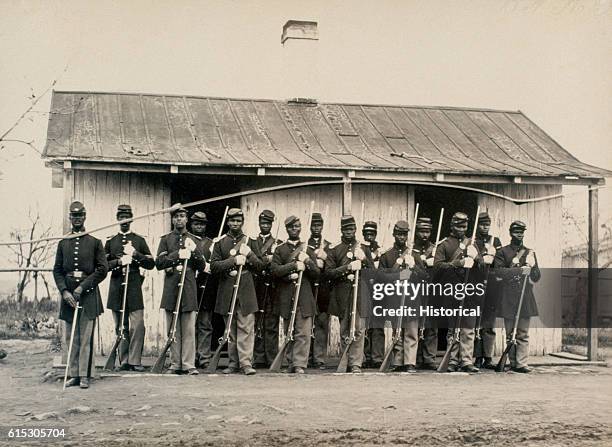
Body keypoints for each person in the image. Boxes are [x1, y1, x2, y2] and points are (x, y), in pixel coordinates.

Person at [53, 201, 108, 389]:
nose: (77, 219)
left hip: (88, 295)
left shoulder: (94, 243)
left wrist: (82, 287)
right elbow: (57, 271)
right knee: (71, 337)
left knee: (86, 337)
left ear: (85, 217)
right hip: (69, 297)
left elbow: (102, 269)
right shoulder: (63, 243)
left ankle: (86, 375)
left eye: (80, 215)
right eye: (73, 216)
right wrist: (65, 291)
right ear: (70, 218)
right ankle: (74, 374)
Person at [211, 208, 264, 375]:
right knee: (230, 329)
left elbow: (261, 266)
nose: (235, 223)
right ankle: (233, 363)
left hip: (246, 290)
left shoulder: (250, 241)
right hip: (227, 289)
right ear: (228, 222)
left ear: (242, 222)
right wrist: (233, 260)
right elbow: (214, 267)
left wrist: (249, 255)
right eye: (232, 220)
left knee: (246, 328)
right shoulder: (220, 242)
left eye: (238, 220)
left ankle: (246, 363)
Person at [104, 204, 155, 372]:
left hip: (134, 287)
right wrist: (118, 262)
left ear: (132, 219)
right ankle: (124, 360)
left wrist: (135, 254)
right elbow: (102, 266)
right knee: (121, 326)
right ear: (118, 219)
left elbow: (150, 263)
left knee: (137, 325)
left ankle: (135, 360)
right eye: (121, 217)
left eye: (127, 217)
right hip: (117, 286)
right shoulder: (111, 241)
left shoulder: (139, 240)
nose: (124, 220)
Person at [155, 206, 205, 375]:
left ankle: (189, 364)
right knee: (173, 327)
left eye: (182, 216)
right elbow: (159, 263)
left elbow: (202, 265)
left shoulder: (194, 240)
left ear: (187, 219)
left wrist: (194, 251)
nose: (179, 220)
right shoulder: (166, 239)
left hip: (189, 288)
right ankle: (175, 364)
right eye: (176, 217)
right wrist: (177, 254)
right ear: (172, 219)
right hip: (171, 288)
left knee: (189, 328)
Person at [270, 215, 320, 374]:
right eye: (291, 227)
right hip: (287, 296)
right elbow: (275, 271)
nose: (294, 229)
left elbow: (317, 274)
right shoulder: (280, 249)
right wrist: (293, 266)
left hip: (304, 297)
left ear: (300, 228)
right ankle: (291, 362)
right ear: (287, 229)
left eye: (297, 226)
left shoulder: (307, 250)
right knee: (289, 331)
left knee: (303, 333)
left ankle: (300, 364)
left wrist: (308, 262)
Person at [325, 215, 375, 373]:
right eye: (345, 229)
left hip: (360, 293)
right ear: (341, 230)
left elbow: (373, 273)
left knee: (359, 329)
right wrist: (347, 268)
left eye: (351, 229)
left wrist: (364, 259)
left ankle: (355, 364)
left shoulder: (364, 248)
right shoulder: (335, 249)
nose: (348, 232)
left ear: (355, 230)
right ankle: (344, 360)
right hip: (343, 295)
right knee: (345, 328)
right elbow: (329, 273)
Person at [433, 211, 480, 373]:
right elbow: (437, 268)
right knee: (453, 328)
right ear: (452, 226)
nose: (462, 229)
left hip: (470, 291)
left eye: (464, 226)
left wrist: (477, 259)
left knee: (469, 328)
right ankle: (452, 360)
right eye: (459, 226)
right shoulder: (444, 245)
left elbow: (483, 271)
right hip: (452, 291)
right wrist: (459, 263)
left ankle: (466, 361)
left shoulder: (472, 244)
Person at [494, 220, 541, 373]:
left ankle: (521, 364)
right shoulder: (502, 252)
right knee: (510, 334)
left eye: (521, 232)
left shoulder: (530, 253)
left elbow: (536, 277)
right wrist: (520, 270)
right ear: (510, 233)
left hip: (524, 297)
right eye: (516, 232)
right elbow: (499, 272)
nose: (519, 234)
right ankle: (513, 362)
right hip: (508, 297)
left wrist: (533, 266)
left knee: (522, 333)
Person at [378, 220, 420, 372]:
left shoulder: (413, 255)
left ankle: (410, 362)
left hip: (411, 298)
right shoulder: (387, 256)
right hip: (395, 298)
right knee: (397, 331)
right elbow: (381, 277)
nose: (402, 237)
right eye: (399, 234)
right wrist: (401, 275)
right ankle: (397, 361)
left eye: (404, 234)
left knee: (411, 332)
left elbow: (425, 276)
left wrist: (413, 267)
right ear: (394, 234)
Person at [472, 211, 502, 369]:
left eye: (487, 224)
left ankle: (488, 357)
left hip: (491, 286)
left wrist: (494, 257)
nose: (485, 227)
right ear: (477, 225)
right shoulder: (472, 241)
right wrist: (478, 257)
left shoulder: (495, 241)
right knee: (477, 323)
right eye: (482, 224)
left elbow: (501, 260)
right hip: (476, 284)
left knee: (489, 323)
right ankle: (477, 356)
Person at [252, 210, 282, 369]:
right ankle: (258, 357)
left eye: (268, 223)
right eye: (263, 223)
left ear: (271, 225)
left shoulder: (278, 243)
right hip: (257, 287)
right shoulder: (252, 242)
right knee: (257, 322)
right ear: (259, 224)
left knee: (271, 323)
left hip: (272, 287)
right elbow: (254, 263)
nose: (265, 226)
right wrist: (266, 259)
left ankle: (271, 357)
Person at [412, 217, 439, 370]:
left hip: (431, 290)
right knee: (415, 324)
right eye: (422, 231)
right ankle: (415, 357)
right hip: (415, 291)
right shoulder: (410, 249)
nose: (424, 235)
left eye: (427, 231)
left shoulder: (435, 249)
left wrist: (433, 264)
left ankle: (429, 358)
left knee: (431, 325)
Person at [308, 212, 332, 370]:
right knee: (306, 323)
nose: (316, 228)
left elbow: (332, 268)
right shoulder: (304, 245)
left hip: (323, 291)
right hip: (309, 288)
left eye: (319, 225)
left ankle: (319, 358)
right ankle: (307, 356)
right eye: (314, 225)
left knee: (322, 323)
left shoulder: (329, 246)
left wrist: (325, 259)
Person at [190, 211, 214, 369]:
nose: (199, 226)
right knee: (190, 324)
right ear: (191, 225)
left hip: (206, 287)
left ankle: (204, 357)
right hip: (190, 287)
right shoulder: (187, 240)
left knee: (205, 323)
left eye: (202, 224)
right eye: (196, 223)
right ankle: (190, 357)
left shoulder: (212, 243)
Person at [361, 221, 385, 369]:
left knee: (378, 325)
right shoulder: (360, 249)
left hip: (378, 290)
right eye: (367, 233)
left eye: (372, 233)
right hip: (364, 289)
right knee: (363, 325)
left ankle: (377, 357)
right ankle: (365, 356)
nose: (369, 236)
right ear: (363, 234)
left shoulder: (382, 251)